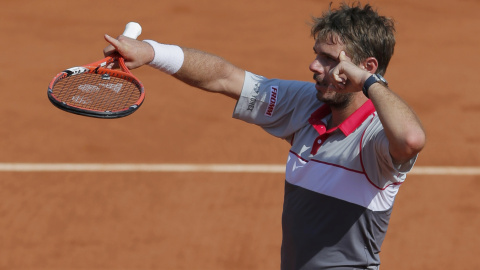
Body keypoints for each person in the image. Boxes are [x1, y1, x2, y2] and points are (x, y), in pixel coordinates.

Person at [104, 2, 426, 269]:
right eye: (318, 54)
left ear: (366, 67)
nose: (314, 65)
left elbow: (411, 140)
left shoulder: (376, 137)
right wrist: (150, 51)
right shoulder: (306, 103)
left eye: (329, 60)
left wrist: (369, 82)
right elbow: (226, 78)